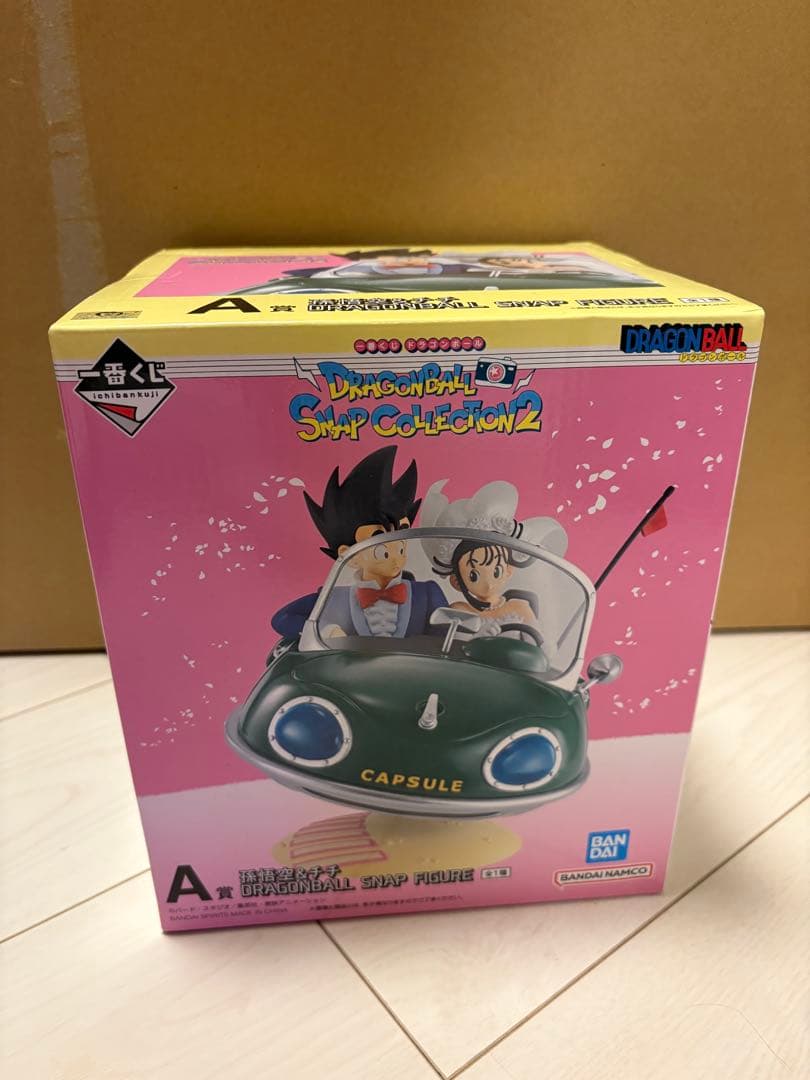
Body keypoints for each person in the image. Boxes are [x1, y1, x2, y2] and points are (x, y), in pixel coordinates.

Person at [271, 446, 444, 639]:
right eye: (383, 551)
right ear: (349, 555)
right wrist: (326, 631)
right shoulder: (333, 598)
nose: (397, 557)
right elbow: (282, 618)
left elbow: (450, 635)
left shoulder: (427, 594)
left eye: (401, 546)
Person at [420, 480, 568, 640]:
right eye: (474, 575)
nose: (488, 583)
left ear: (508, 570)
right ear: (456, 581)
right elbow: (451, 645)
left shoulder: (519, 607)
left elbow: (542, 647)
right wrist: (476, 637)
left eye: (496, 571)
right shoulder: (459, 611)